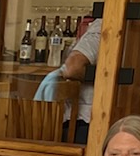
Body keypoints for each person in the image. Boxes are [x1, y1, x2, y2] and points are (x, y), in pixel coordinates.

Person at [33, 17, 101, 145]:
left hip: (81, 124)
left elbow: (71, 68)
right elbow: (72, 67)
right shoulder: (104, 27)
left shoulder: (102, 26)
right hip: (82, 124)